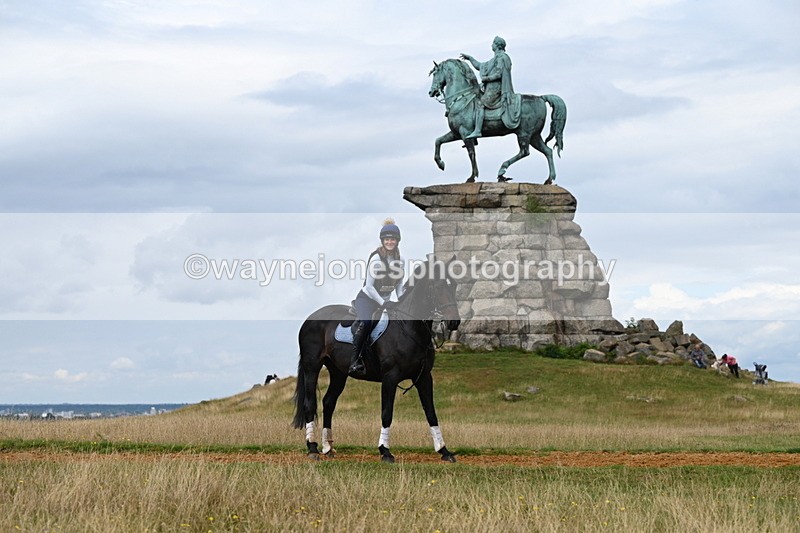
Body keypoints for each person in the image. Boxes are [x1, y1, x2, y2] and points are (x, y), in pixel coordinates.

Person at [348, 218, 406, 376]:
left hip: (386, 301)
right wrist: (383, 303)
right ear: (382, 241)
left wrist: (402, 301)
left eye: (392, 239)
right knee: (367, 323)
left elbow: (399, 285)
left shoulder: (400, 261)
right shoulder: (375, 259)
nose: (390, 242)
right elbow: (369, 287)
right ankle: (355, 361)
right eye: (387, 239)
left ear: (397, 241)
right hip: (367, 299)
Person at [460, 36, 521, 138]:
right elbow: (480, 66)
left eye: (493, 43)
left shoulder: (502, 58)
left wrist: (486, 79)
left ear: (497, 45)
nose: (491, 45)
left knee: (479, 103)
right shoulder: (494, 59)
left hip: (496, 89)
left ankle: (478, 130)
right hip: (490, 88)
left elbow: (499, 74)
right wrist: (470, 58)